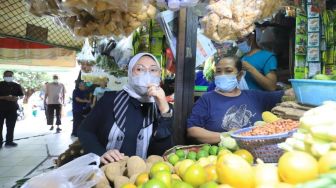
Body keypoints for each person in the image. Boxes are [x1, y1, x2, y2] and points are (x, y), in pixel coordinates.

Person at [78, 53, 173, 164]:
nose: (147, 74)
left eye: (153, 70)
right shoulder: (110, 100)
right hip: (106, 173)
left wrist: (164, 109)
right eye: (139, 69)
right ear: (130, 73)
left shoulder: (164, 108)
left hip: (145, 178)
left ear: (159, 74)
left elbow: (164, 151)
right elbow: (85, 131)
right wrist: (100, 153)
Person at [187, 57, 292, 144]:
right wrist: (226, 136)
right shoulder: (207, 99)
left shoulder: (255, 96)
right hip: (222, 157)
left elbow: (286, 94)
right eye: (218, 71)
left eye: (228, 71)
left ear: (240, 75)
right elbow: (193, 130)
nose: (222, 75)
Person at [0, 70, 24, 147]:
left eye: (10, 75)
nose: (9, 77)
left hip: (12, 109)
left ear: (13, 76)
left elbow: (21, 95)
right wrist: (4, 97)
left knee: (11, 126)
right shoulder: (0, 84)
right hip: (1, 108)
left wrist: (16, 98)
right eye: (7, 75)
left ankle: (9, 141)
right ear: (4, 76)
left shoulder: (16, 85)